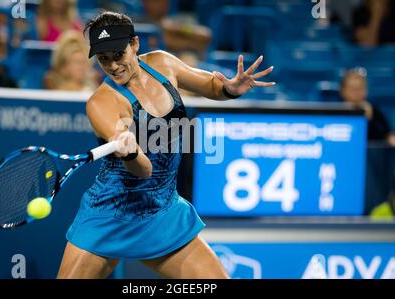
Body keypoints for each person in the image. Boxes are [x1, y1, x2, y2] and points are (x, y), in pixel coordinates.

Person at [58, 11, 275, 279]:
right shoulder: (101, 103)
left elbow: (210, 86)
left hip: (162, 210)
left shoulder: (163, 63)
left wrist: (230, 89)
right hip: (109, 215)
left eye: (118, 55)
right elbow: (143, 170)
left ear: (134, 44)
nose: (113, 66)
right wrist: (130, 152)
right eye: (104, 59)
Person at [340, 68, 395, 145]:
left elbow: (388, 135)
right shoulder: (334, 112)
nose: (356, 93)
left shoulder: (374, 110)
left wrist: (369, 120)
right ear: (343, 91)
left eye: (360, 88)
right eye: (353, 89)